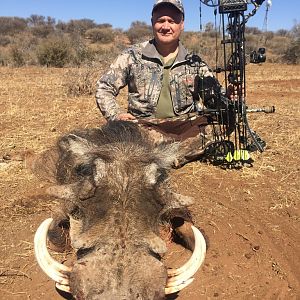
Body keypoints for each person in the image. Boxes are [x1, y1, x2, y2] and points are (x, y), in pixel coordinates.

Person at [96, 0, 228, 168]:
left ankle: (163, 153)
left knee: (221, 126)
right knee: (128, 131)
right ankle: (179, 152)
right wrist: (115, 115)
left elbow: (216, 96)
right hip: (145, 127)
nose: (166, 26)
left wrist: (229, 96)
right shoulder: (132, 56)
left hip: (185, 125)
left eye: (172, 21)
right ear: (152, 23)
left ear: (182, 25)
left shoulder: (194, 62)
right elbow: (104, 88)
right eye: (160, 20)